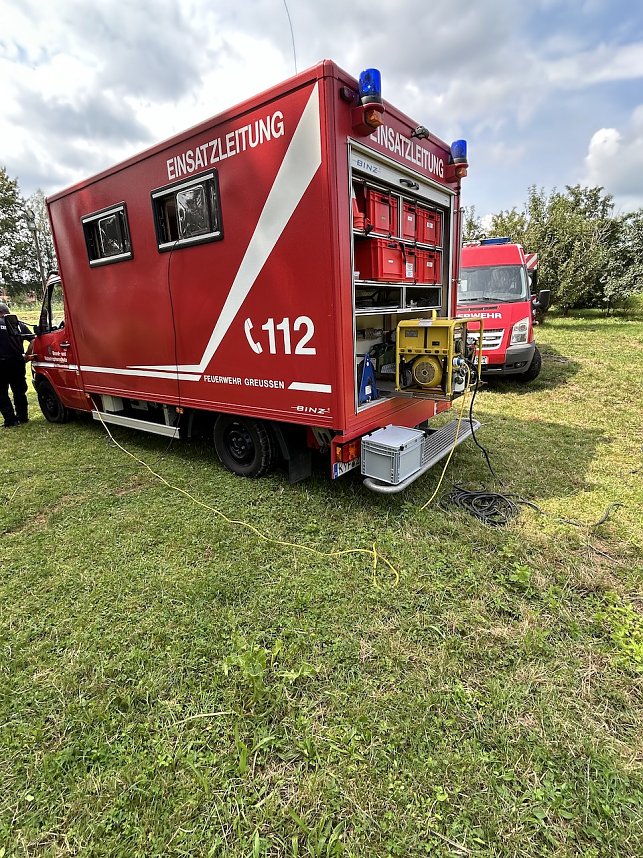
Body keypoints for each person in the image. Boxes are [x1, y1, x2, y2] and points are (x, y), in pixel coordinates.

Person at [0, 301, 34, 428]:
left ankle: (11, 420)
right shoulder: (19, 324)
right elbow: (33, 339)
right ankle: (23, 416)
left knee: (1, 393)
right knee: (19, 391)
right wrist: (26, 354)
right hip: (18, 362)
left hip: (1, 363)